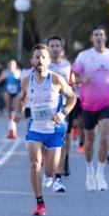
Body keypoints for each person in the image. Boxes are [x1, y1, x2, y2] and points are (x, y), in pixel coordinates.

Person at [13, 44, 78, 215]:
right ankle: (40, 203)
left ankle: (49, 175)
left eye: (43, 57)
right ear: (32, 60)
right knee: (34, 164)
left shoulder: (57, 79)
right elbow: (22, 98)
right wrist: (19, 113)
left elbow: (72, 98)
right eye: (37, 57)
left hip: (54, 130)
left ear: (48, 60)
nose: (40, 60)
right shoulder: (26, 81)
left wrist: (63, 113)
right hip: (35, 128)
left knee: (50, 169)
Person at [73, 26, 109, 192]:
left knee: (105, 137)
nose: (99, 37)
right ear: (91, 38)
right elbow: (73, 77)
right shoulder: (83, 56)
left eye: (101, 34)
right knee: (90, 140)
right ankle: (89, 171)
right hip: (88, 104)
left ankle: (100, 173)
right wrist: (81, 79)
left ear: (105, 37)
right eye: (96, 35)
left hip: (107, 103)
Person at [47, 36, 75, 181]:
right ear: (48, 48)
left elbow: (71, 82)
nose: (55, 48)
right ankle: (50, 166)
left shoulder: (67, 65)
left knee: (64, 136)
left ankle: (64, 161)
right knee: (47, 137)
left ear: (61, 48)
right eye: (52, 46)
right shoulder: (44, 66)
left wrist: (73, 86)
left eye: (57, 45)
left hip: (64, 106)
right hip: (47, 106)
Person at [0, 59, 22, 137]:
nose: (11, 66)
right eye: (10, 65)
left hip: (16, 92)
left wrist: (19, 79)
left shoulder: (19, 71)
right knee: (7, 104)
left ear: (15, 65)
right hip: (8, 91)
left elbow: (23, 81)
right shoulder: (5, 72)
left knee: (14, 105)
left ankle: (13, 116)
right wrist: (2, 78)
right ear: (8, 65)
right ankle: (9, 117)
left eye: (13, 65)